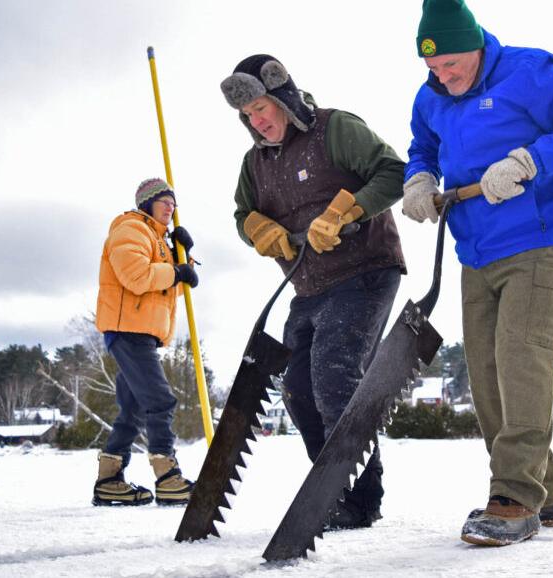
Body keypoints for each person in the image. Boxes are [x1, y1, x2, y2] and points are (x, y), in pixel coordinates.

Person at [401, 0, 553, 546]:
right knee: (489, 378)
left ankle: (515, 497)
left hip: (535, 241)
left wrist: (529, 160)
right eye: (433, 69)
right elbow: (421, 148)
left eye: (452, 65)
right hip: (473, 252)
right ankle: (544, 494)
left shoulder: (528, 70)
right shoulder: (430, 98)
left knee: (522, 362)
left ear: (476, 44)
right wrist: (419, 179)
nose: (443, 78)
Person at [221, 54, 406, 529]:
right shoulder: (255, 163)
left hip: (364, 269)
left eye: (262, 108)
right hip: (308, 283)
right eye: (247, 117)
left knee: (333, 378)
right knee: (298, 388)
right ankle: (331, 487)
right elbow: (243, 214)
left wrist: (348, 212)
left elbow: (392, 172)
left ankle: (361, 499)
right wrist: (256, 228)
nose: (257, 122)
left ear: (283, 97)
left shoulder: (334, 129)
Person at [92, 177, 198, 507]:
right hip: (129, 330)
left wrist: (185, 258)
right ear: (147, 203)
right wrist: (176, 271)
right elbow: (136, 277)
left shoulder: (159, 240)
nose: (171, 207)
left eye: (173, 202)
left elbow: (169, 286)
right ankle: (167, 476)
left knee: (134, 408)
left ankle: (109, 479)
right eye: (164, 200)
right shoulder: (132, 229)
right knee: (160, 400)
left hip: (141, 332)